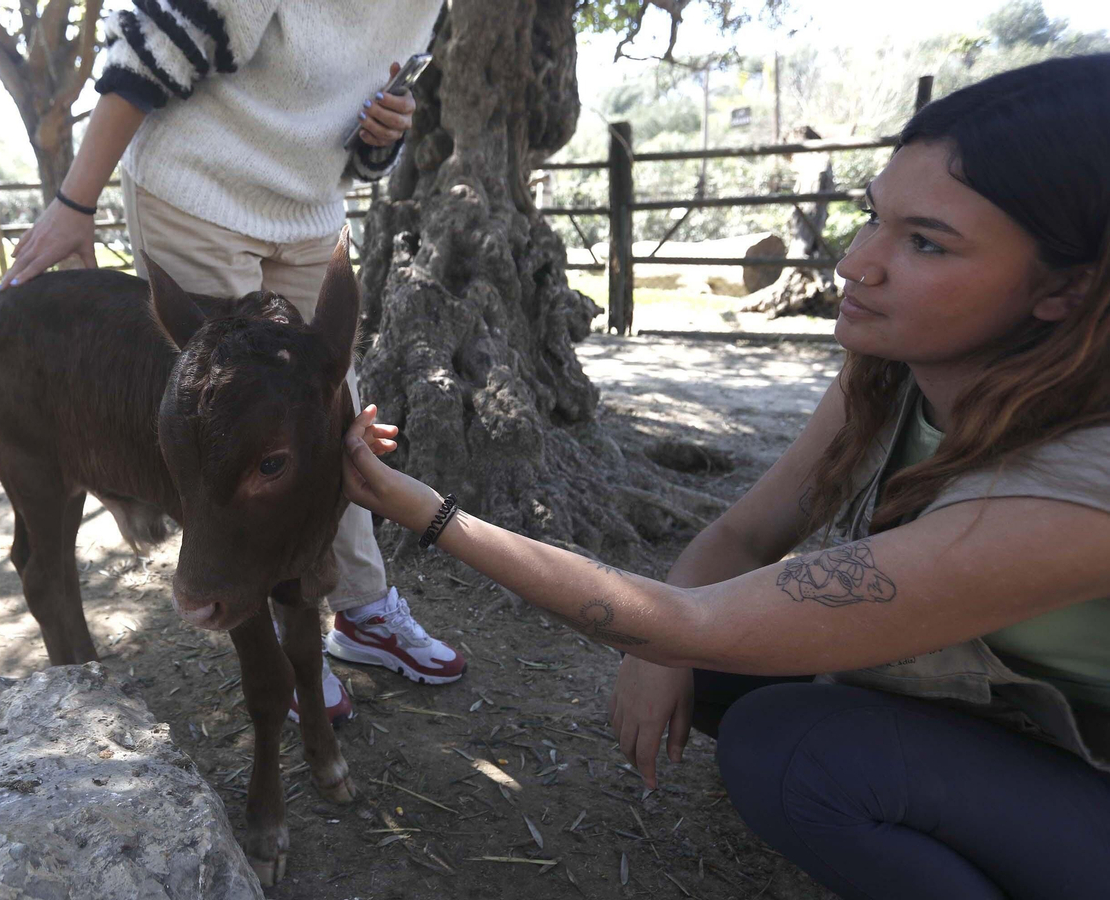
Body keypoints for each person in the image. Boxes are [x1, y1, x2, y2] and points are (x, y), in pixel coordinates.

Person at [340, 53, 1110, 899]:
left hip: (1083, 768)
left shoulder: (1079, 491)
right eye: (872, 218)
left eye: (926, 242)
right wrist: (663, 650)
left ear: (1066, 291)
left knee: (789, 755)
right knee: (713, 673)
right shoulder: (892, 373)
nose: (858, 263)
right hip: (984, 710)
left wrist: (422, 510)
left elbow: (689, 619)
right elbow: (743, 536)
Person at [0, 1, 463, 724]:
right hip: (197, 192)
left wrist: (384, 131)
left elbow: (360, 123)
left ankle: (365, 611)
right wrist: (74, 202)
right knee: (239, 427)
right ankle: (283, 630)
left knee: (326, 413)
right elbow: (147, 48)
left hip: (308, 212)